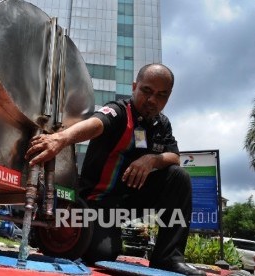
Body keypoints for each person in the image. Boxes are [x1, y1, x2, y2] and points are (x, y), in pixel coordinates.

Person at [25, 64, 206, 275]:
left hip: (129, 201)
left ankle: (167, 258)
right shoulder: (119, 111)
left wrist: (151, 160)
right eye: (147, 91)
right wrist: (60, 139)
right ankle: (43, 233)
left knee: (178, 177)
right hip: (98, 202)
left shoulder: (161, 124)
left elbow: (174, 156)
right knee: (103, 254)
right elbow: (96, 123)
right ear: (134, 87)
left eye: (161, 95)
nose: (152, 100)